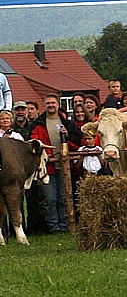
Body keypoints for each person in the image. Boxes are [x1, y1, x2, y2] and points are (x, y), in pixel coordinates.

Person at [29, 94, 78, 233]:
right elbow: (34, 142)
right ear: (45, 105)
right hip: (47, 166)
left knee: (64, 197)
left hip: (64, 166)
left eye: (53, 103)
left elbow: (76, 140)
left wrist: (67, 134)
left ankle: (65, 224)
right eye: (48, 103)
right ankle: (53, 226)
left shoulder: (66, 122)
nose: (51, 105)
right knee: (50, 199)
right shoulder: (39, 123)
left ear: (58, 105)